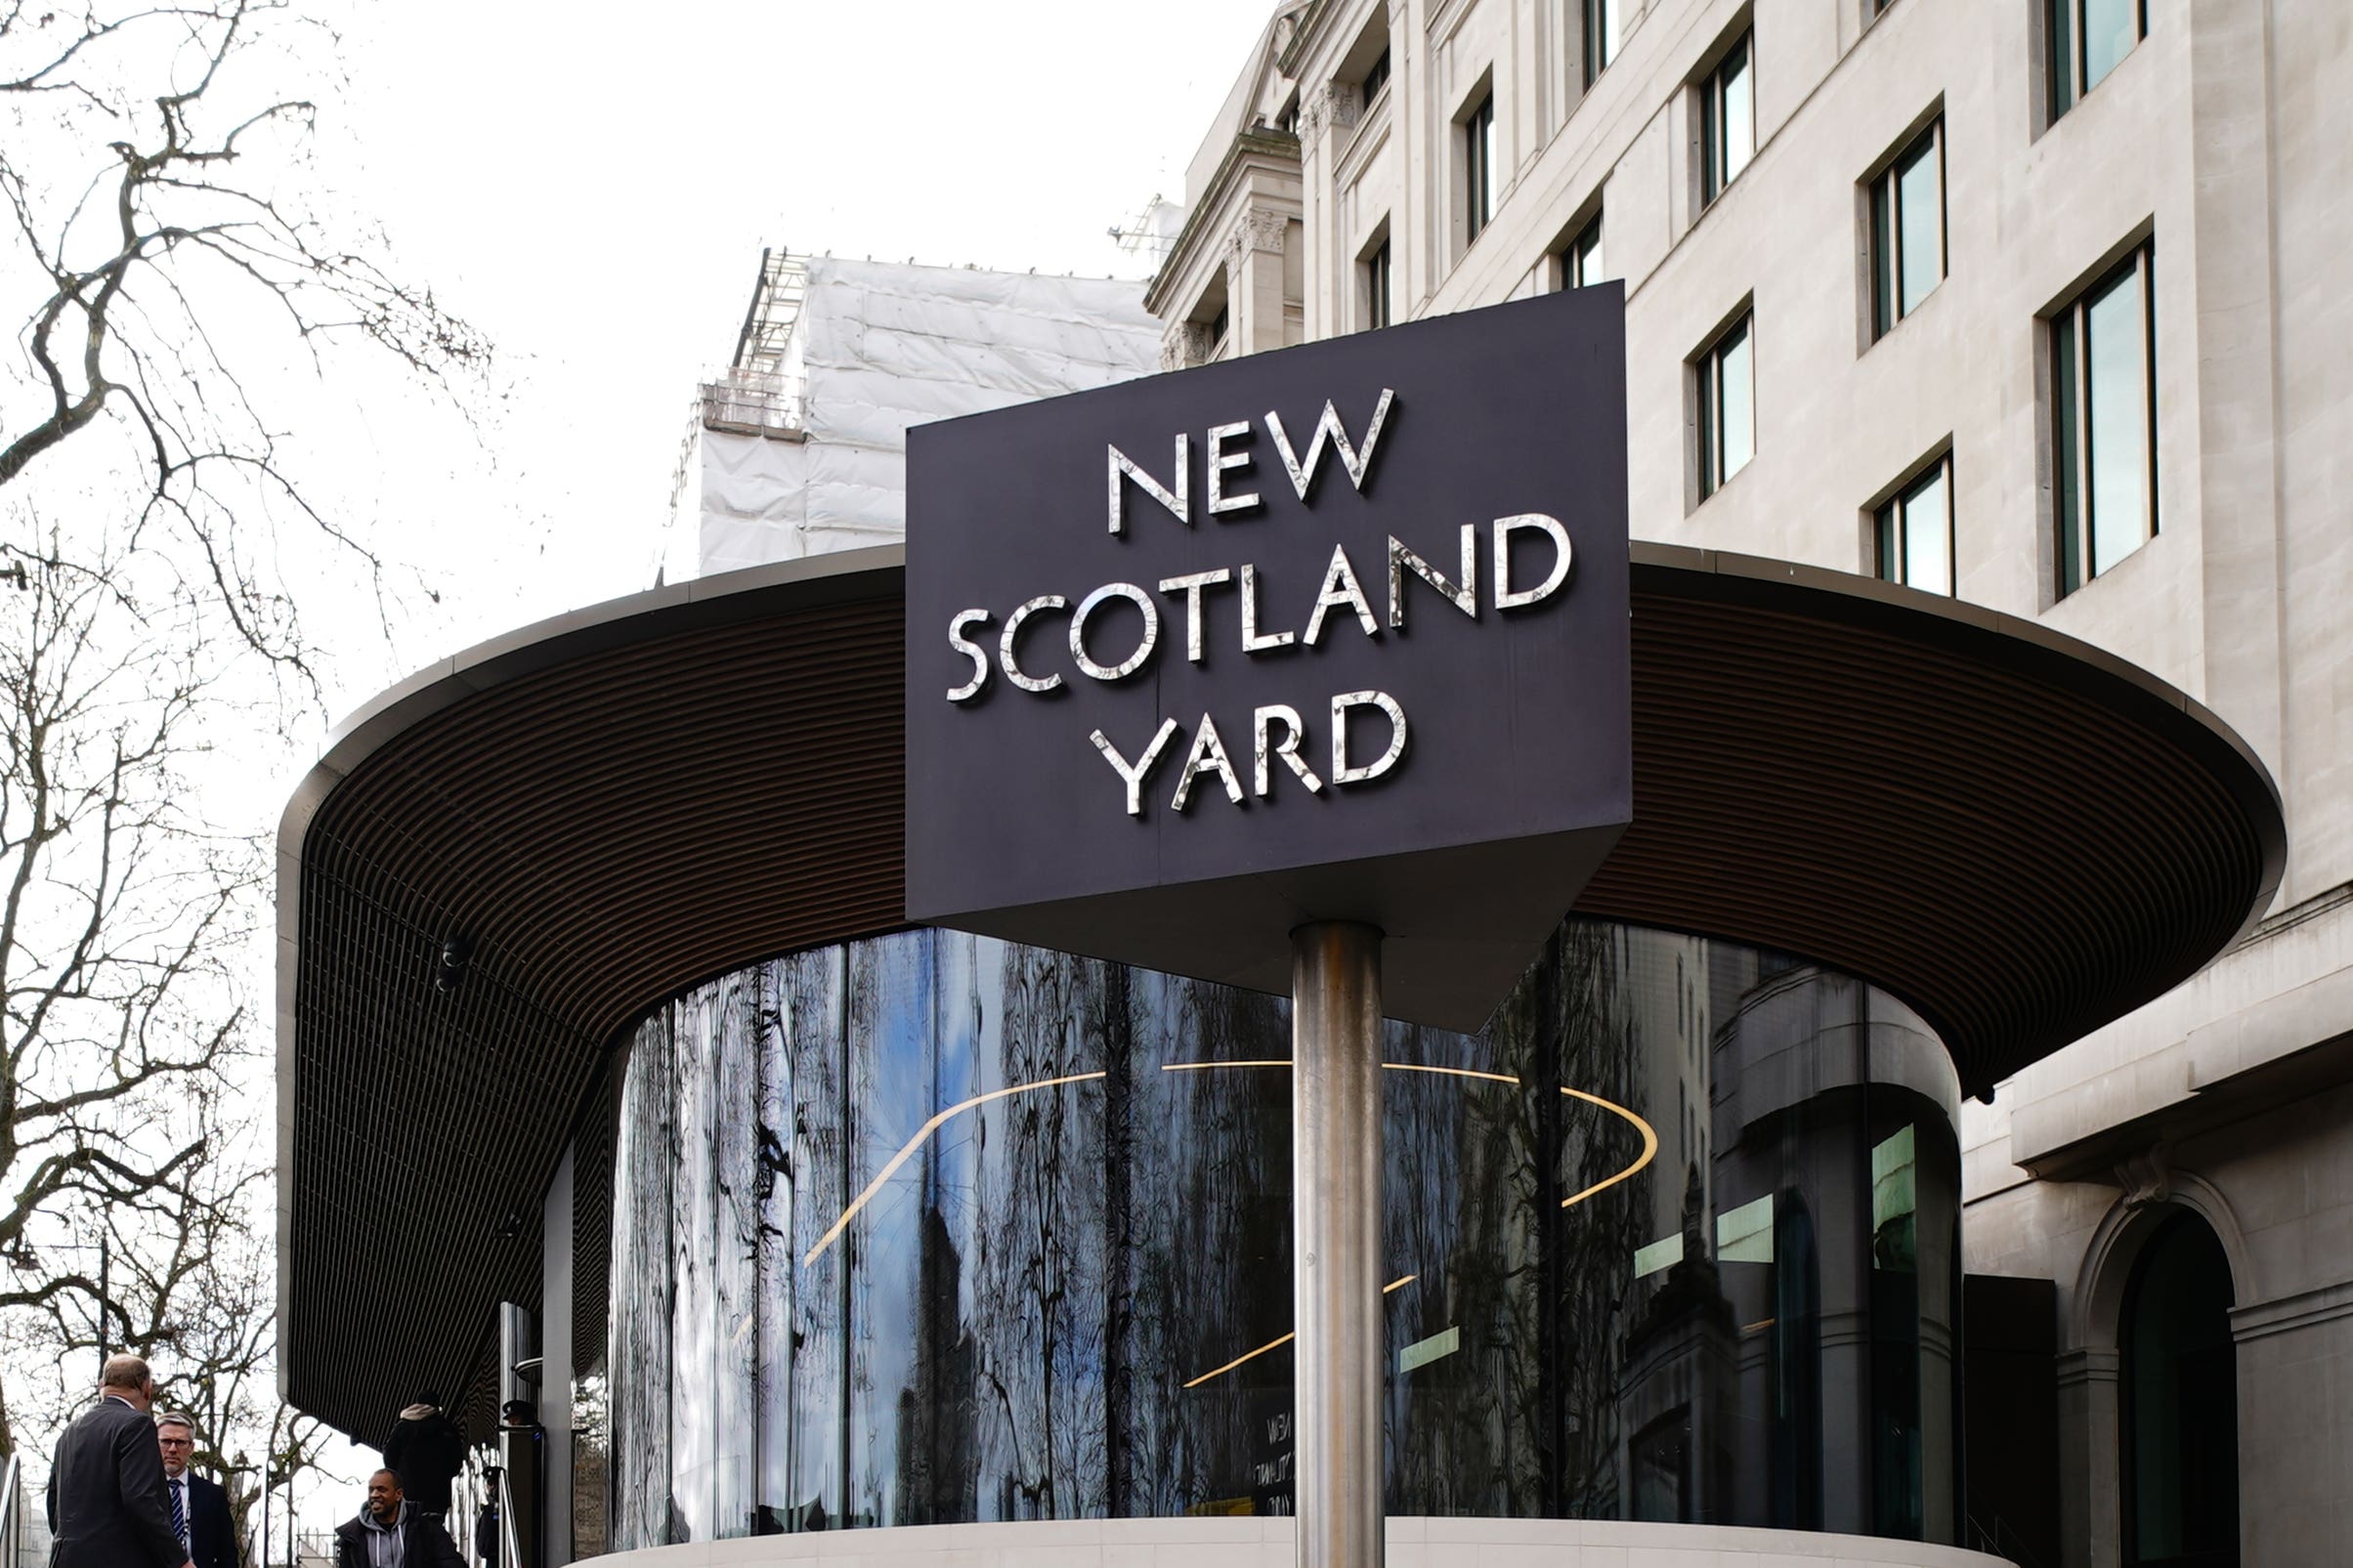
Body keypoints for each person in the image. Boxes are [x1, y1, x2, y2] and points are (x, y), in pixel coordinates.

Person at [43, 1353, 195, 1568]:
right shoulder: (137, 1425)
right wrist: (179, 1561)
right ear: (146, 1388)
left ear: (102, 1385)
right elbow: (140, 1499)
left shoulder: (70, 1431)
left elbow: (54, 1501)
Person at [333, 1469, 464, 1568]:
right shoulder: (352, 1537)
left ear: (398, 1494)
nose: (374, 1495)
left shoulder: (426, 1529)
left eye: (381, 1490)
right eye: (371, 1490)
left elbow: (452, 1564)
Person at [154, 1413, 235, 1568]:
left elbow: (227, 1553)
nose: (172, 1449)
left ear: (191, 1447)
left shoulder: (212, 1495)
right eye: (165, 1441)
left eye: (180, 1442)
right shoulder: (141, 1492)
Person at [380, 1391, 467, 1522]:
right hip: (437, 1493)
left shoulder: (402, 1426)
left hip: (407, 1491)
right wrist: (444, 1475)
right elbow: (456, 1460)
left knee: (409, 1529)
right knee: (433, 1530)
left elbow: (389, 1455)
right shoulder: (445, 1427)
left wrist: (399, 1477)